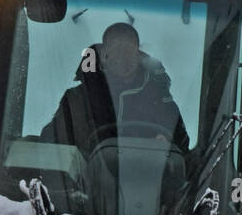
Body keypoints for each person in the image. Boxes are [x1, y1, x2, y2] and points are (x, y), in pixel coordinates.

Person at [39, 22, 190, 162]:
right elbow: (52, 141)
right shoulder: (78, 99)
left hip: (148, 181)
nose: (122, 57)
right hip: (85, 185)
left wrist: (166, 143)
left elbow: (182, 147)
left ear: (138, 55)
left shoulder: (159, 100)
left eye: (128, 50)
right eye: (115, 49)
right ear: (104, 55)